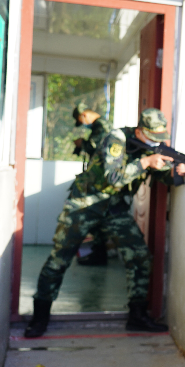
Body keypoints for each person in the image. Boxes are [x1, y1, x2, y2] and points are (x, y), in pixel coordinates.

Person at [24, 108, 185, 338]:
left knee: (139, 256)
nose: (155, 142)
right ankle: (39, 318)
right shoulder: (116, 138)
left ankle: (137, 316)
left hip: (114, 207)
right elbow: (113, 177)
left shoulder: (147, 148)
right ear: (140, 131)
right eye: (152, 136)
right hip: (85, 203)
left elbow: (160, 175)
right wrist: (145, 162)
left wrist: (175, 173)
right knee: (60, 258)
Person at [71, 103, 113, 266]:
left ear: (84, 115)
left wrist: (82, 144)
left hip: (100, 179)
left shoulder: (100, 126)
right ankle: (98, 253)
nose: (83, 125)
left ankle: (99, 255)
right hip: (100, 178)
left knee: (96, 215)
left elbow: (95, 150)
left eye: (81, 121)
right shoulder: (101, 125)